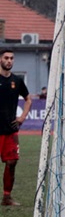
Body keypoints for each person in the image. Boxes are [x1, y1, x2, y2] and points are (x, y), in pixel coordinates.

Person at [0, 48, 31, 206]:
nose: (9, 61)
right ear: (0, 59)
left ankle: (7, 197)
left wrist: (22, 117)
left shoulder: (17, 81)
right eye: (6, 58)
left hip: (11, 129)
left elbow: (28, 99)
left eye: (12, 58)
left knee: (12, 163)